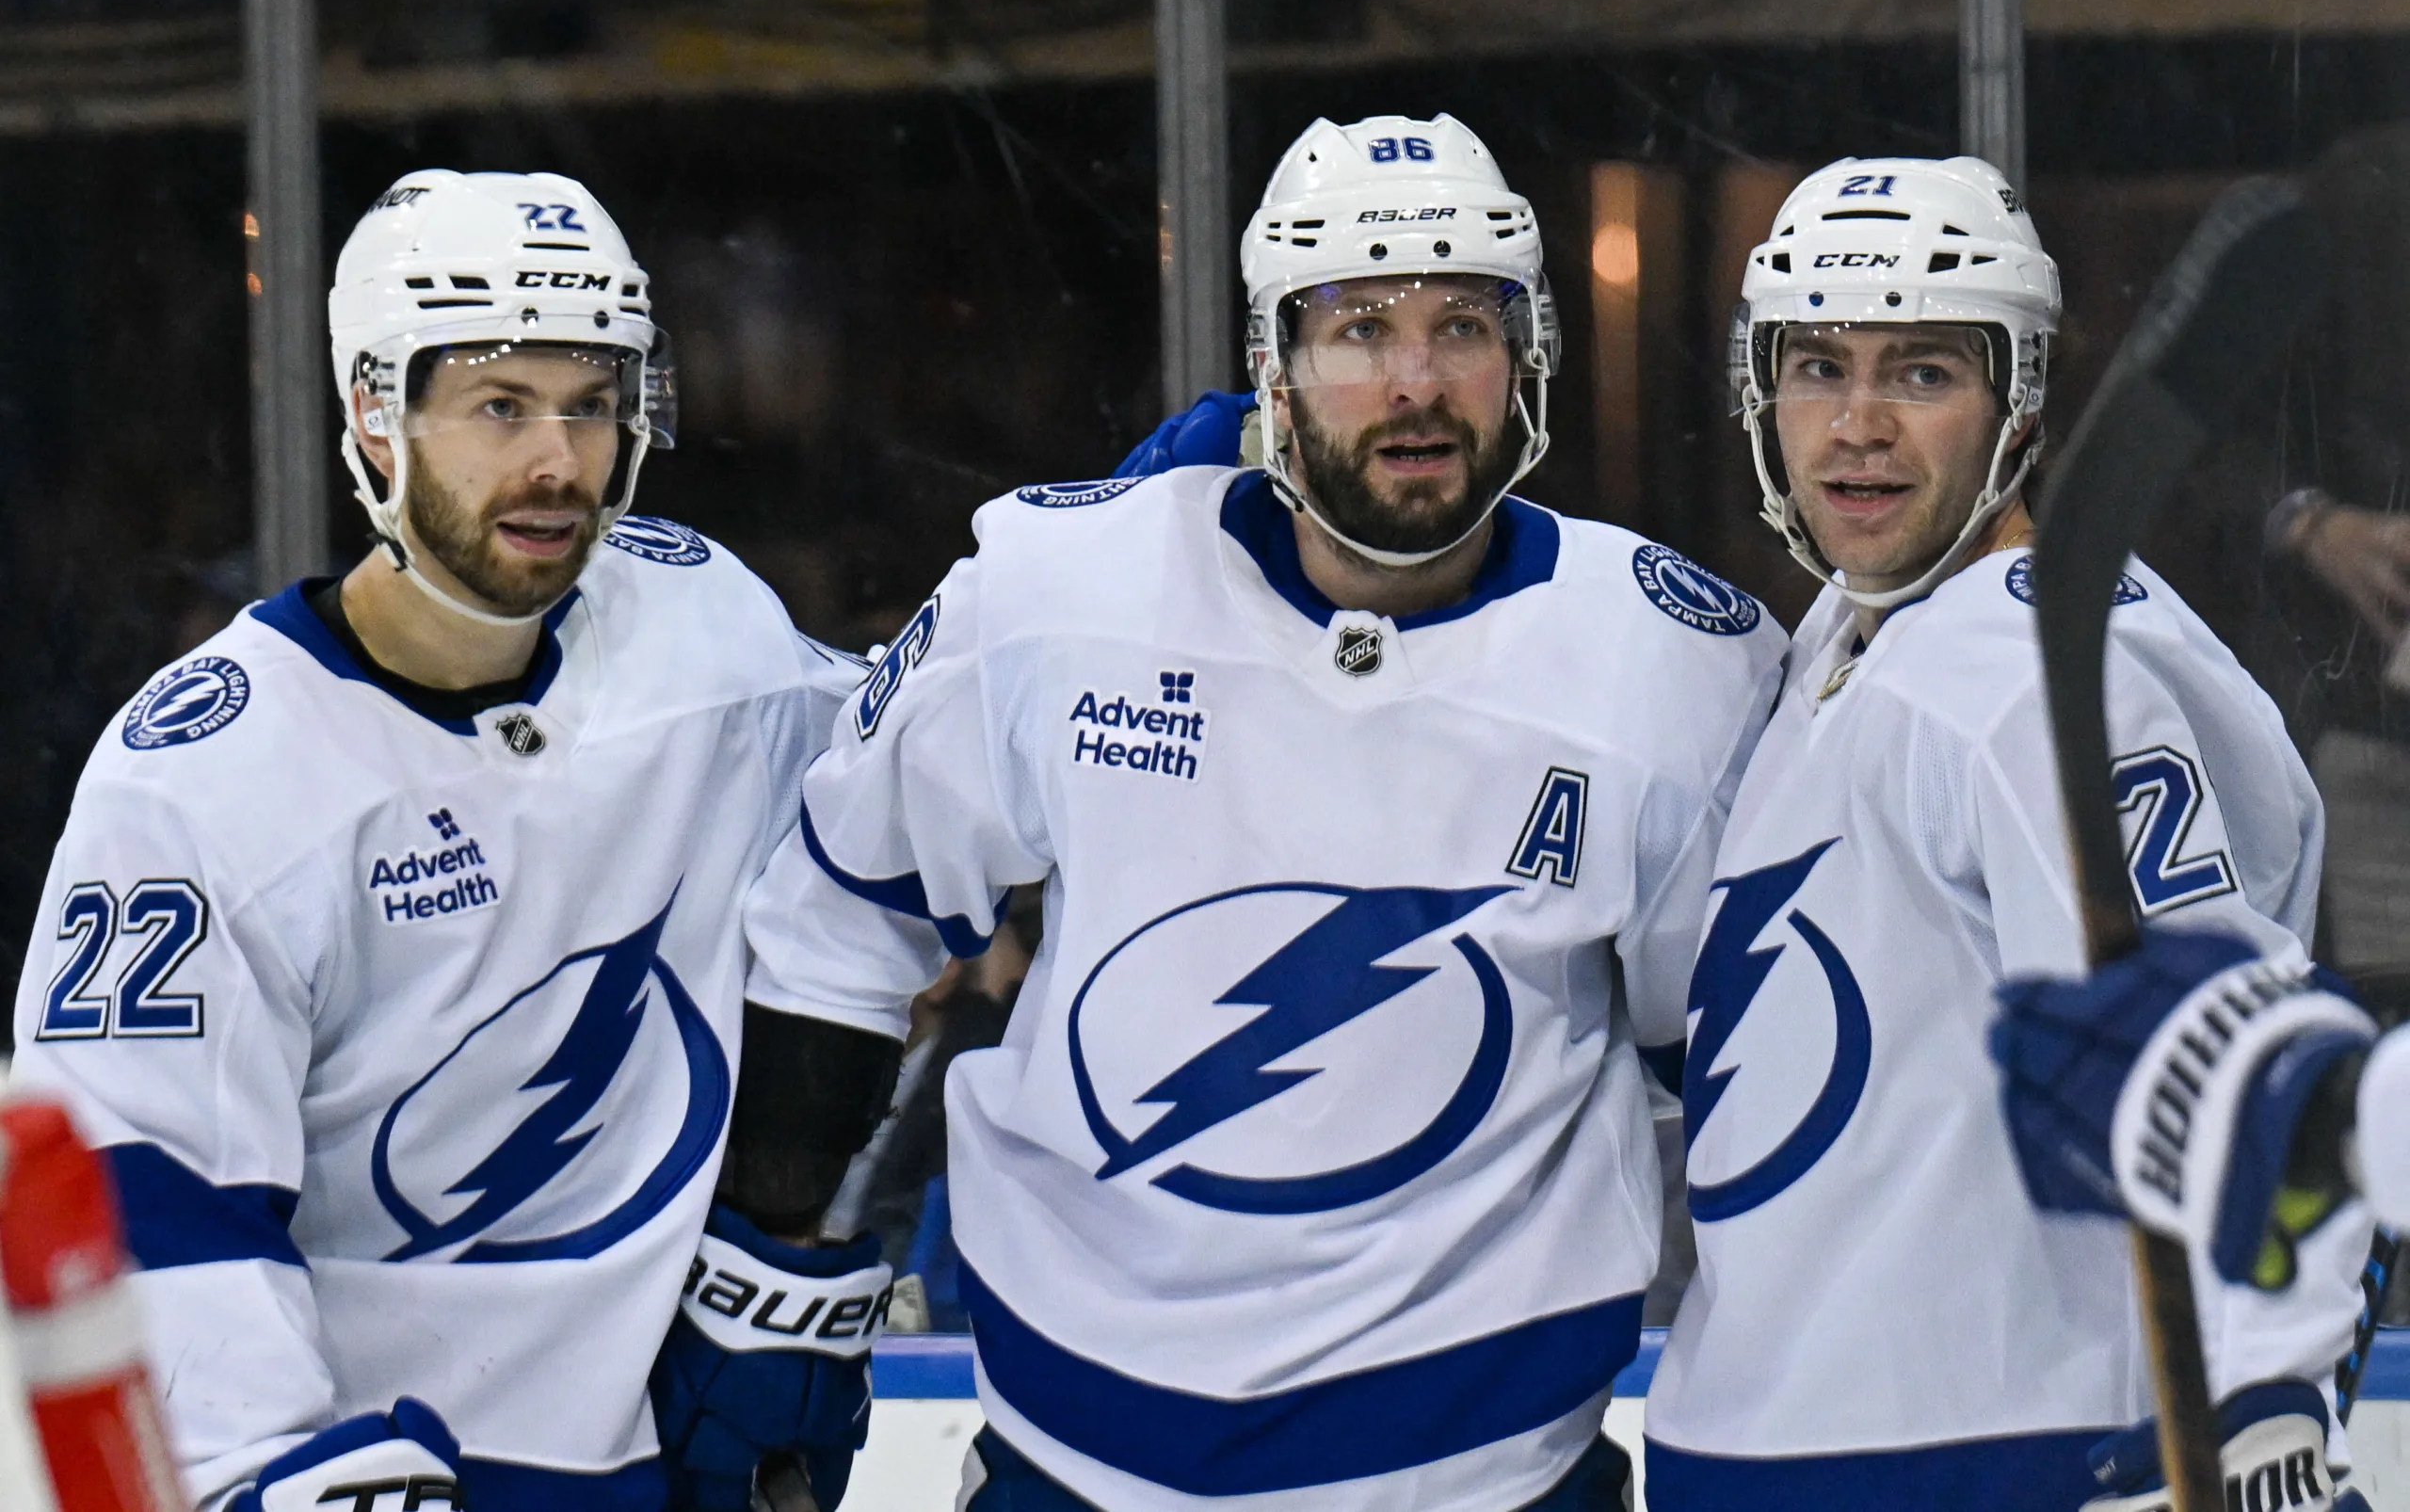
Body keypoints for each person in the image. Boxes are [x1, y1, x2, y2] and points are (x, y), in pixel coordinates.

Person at [741, 112, 1785, 1511]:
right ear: (1272, 367)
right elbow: (840, 916)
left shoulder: (1673, 667)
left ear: (1528, 353)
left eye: (1462, 326)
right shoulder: (1064, 592)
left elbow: (1741, 1079)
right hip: (1076, 1472)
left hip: (1490, 1484)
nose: (1415, 382)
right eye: (1358, 329)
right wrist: (767, 1273)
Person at [10, 170, 903, 1512]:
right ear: (376, 414)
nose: (559, 462)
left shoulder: (703, 638)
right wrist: (261, 1475)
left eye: (590, 403)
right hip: (365, 1465)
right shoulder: (203, 781)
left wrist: (1144, 548)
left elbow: (927, 770)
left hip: (649, 1468)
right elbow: (148, 1190)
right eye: (500, 406)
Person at [1632, 156, 2362, 1511]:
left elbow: (2216, 1049)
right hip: (1762, 1457)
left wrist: (2265, 1400)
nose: (1858, 426)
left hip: (1985, 1466)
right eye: (1818, 368)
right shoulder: (1841, 640)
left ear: (2018, 402)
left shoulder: (2036, 677)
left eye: (1921, 372)